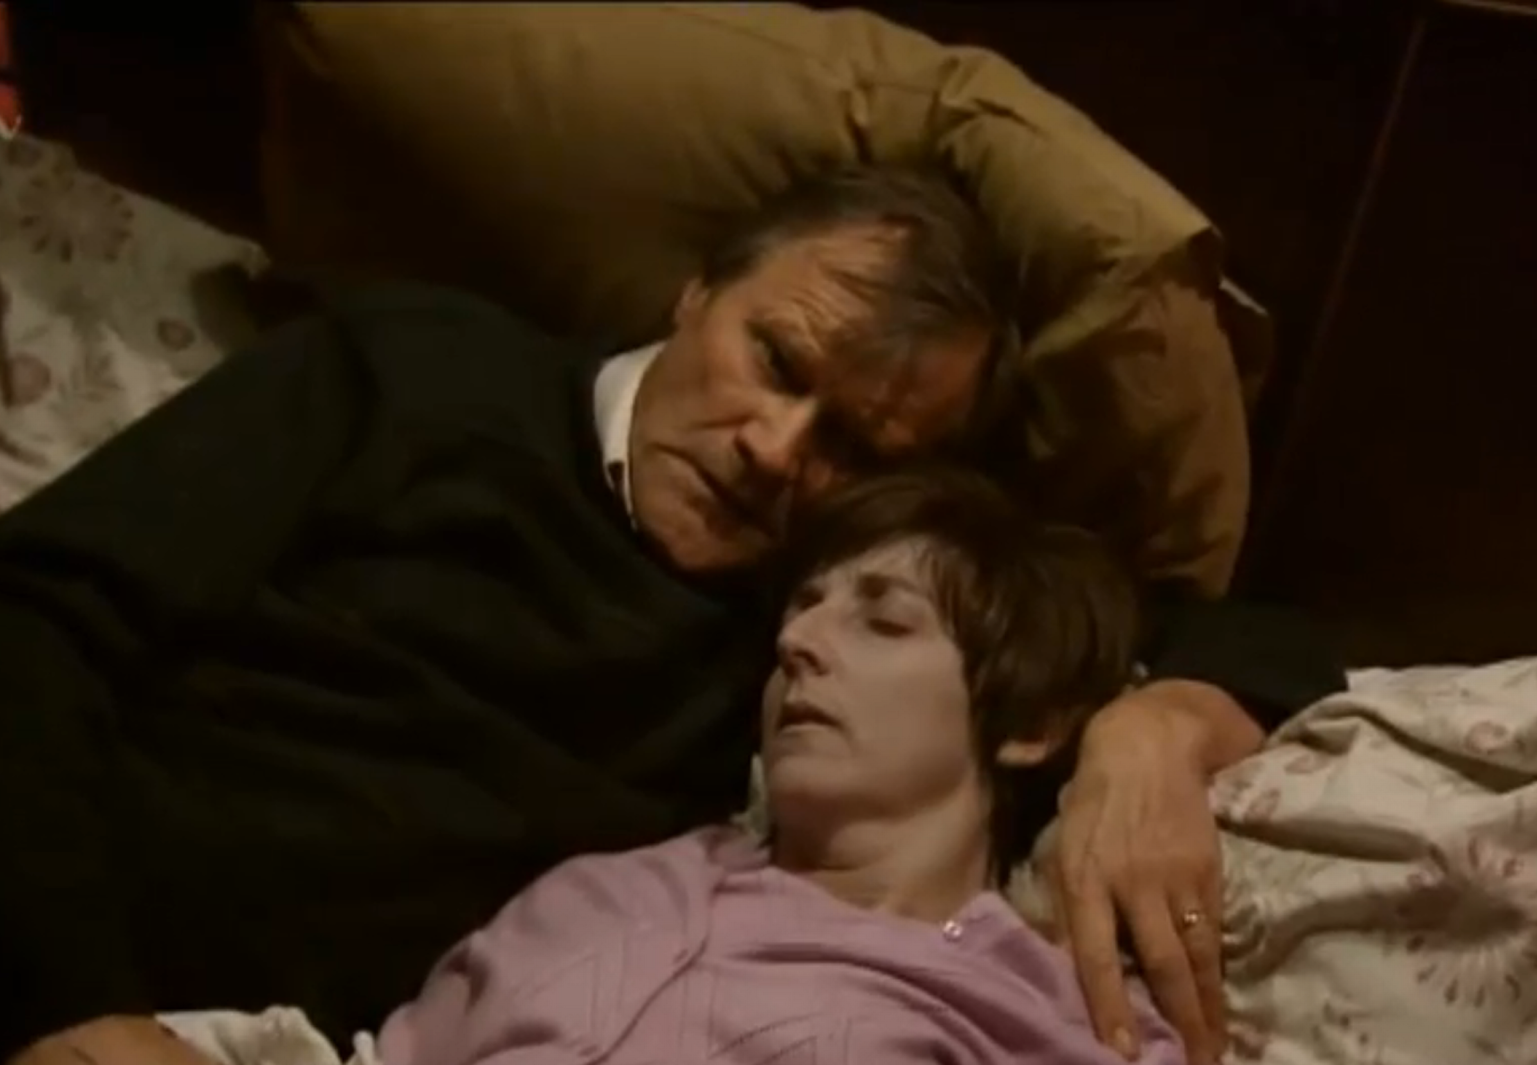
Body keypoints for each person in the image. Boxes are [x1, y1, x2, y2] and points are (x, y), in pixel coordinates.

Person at [1, 166, 1341, 1065]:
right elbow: (33, 612)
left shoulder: (809, 625)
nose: (774, 448)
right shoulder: (417, 368)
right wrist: (73, 1002)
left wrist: (1156, 726)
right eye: (775, 359)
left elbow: (1277, 636)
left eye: (854, 444)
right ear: (696, 293)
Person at [166, 467, 1185, 1065]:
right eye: (802, 609)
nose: (800, 642)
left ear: (1029, 724)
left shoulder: (1055, 1011)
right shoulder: (600, 892)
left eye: (884, 621)